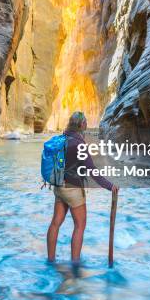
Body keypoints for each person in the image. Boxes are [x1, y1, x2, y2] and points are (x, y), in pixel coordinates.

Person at [46, 111, 118, 264]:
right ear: (82, 124)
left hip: (59, 187)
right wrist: (110, 186)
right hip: (73, 190)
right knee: (80, 225)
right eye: (85, 122)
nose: (86, 124)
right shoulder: (79, 144)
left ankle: (50, 260)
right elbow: (92, 171)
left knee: (55, 223)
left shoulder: (63, 139)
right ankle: (75, 264)